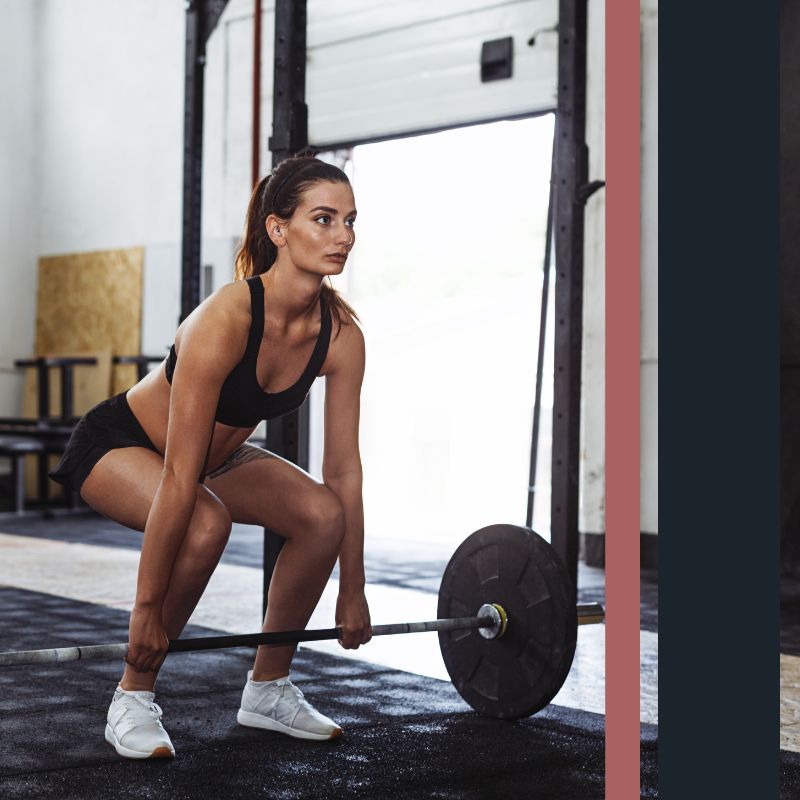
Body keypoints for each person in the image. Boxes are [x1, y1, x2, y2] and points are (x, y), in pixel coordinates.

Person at [49, 155, 372, 759]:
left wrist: (351, 587)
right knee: (205, 521)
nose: (344, 237)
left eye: (350, 221)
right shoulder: (225, 318)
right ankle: (133, 695)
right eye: (324, 219)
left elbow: (344, 469)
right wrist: (147, 612)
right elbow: (176, 473)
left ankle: (269, 688)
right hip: (125, 445)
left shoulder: (340, 336)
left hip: (214, 460)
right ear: (278, 229)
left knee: (322, 514)